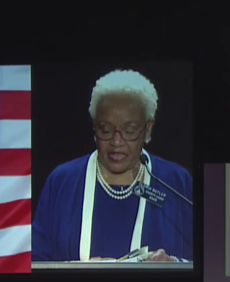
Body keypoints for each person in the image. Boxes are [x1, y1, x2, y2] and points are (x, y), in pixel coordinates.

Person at [32, 69, 193, 262]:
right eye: (105, 130)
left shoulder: (176, 182)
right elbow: (36, 262)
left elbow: (210, 264)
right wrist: (77, 272)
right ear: (94, 127)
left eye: (129, 130)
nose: (117, 141)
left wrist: (174, 264)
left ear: (148, 128)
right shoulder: (62, 181)